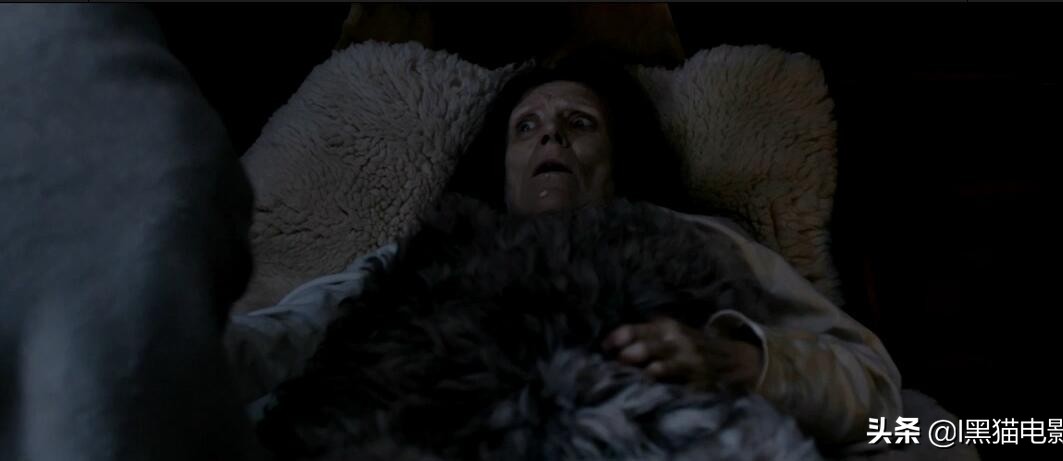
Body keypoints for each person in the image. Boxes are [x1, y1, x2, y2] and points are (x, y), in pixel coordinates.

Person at [229, 55, 902, 455]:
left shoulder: (697, 241)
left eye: (578, 123)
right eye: (526, 127)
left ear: (619, 156)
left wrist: (742, 360)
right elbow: (294, 332)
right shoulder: (432, 255)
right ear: (500, 169)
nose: (550, 135)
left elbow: (876, 394)